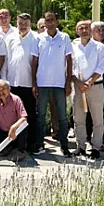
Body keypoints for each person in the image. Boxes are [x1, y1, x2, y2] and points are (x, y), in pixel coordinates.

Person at [34, 11, 73, 155]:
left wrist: (68, 82)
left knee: (62, 116)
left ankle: (64, 145)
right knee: (41, 116)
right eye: (47, 20)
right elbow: (34, 62)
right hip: (42, 83)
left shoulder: (64, 38)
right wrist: (34, 82)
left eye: (52, 20)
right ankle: (39, 144)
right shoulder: (39, 38)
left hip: (59, 83)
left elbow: (69, 61)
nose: (49, 23)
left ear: (57, 22)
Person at [70, 19, 104, 158]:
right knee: (79, 119)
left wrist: (90, 82)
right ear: (77, 31)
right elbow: (70, 67)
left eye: (86, 28)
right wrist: (78, 83)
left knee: (98, 119)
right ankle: (81, 146)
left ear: (91, 30)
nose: (84, 30)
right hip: (78, 87)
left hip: (95, 87)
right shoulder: (73, 46)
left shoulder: (99, 47)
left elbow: (101, 67)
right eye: (81, 28)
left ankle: (96, 147)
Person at [3, 12, 39, 149]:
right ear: (16, 23)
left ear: (30, 24)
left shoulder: (36, 38)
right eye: (20, 24)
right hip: (12, 83)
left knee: (29, 114)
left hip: (29, 83)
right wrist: (5, 81)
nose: (23, 26)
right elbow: (6, 61)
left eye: (25, 24)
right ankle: (14, 142)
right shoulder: (10, 38)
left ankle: (30, 143)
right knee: (13, 115)